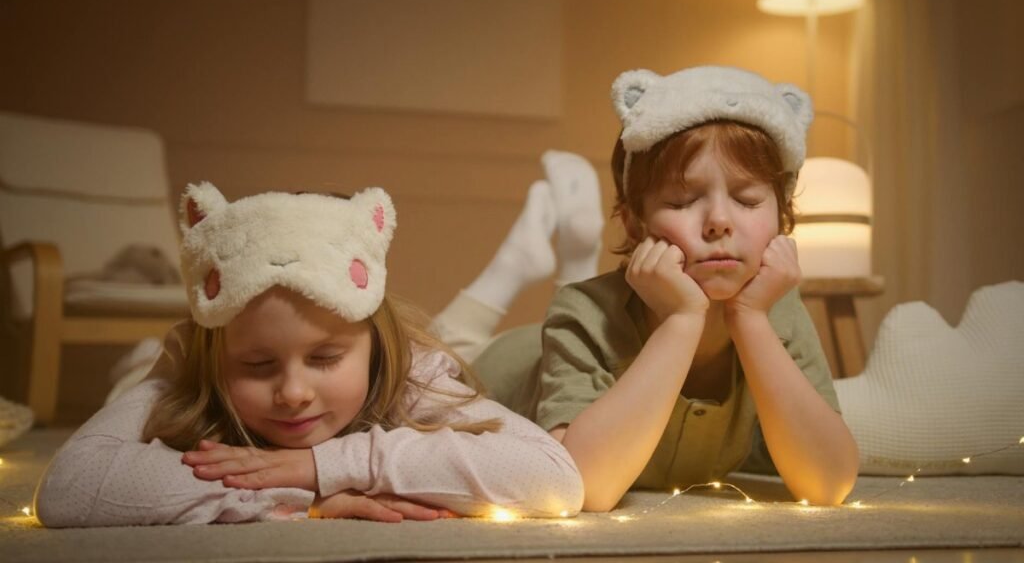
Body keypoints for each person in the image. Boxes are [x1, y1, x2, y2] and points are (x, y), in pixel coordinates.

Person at [435, 66, 859, 511]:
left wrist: (749, 319)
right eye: (681, 201)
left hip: (571, 335)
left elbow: (827, 485)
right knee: (438, 356)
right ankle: (516, 263)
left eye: (748, 200)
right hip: (497, 364)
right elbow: (586, 487)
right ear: (635, 221)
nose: (719, 221)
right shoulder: (581, 312)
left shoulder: (776, 310)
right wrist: (681, 321)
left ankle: (568, 251)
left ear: (781, 215)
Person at [34, 184, 583, 527]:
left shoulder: (401, 361)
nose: (293, 393)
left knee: (447, 351)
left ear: (374, 347)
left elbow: (554, 479)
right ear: (219, 359)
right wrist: (303, 498)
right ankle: (507, 271)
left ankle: (512, 271)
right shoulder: (186, 367)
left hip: (401, 357)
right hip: (137, 365)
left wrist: (326, 465)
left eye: (324, 358)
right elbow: (70, 489)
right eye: (257, 365)